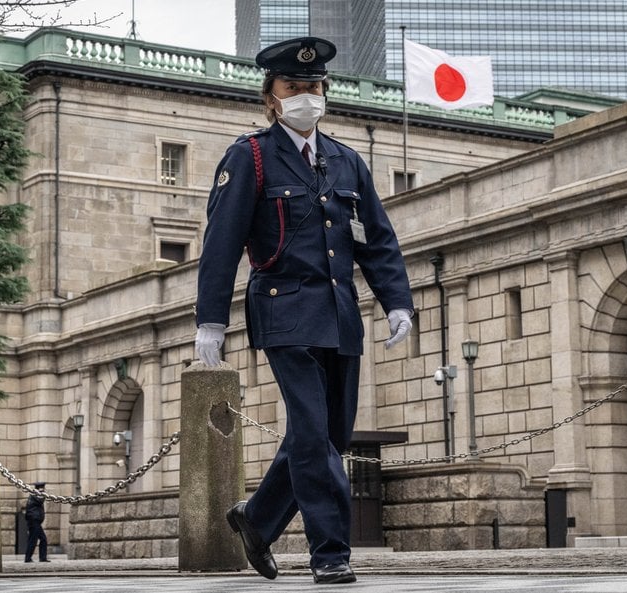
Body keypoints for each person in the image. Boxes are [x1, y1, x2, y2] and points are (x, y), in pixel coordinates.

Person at [195, 36, 414, 585]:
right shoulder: (249, 157)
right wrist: (210, 323)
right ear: (271, 96)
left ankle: (257, 517)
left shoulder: (347, 160)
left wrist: (397, 303)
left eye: (314, 87)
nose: (306, 96)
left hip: (341, 316)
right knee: (314, 434)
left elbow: (378, 241)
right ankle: (331, 553)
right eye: (293, 87)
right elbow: (221, 243)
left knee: (330, 434)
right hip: (284, 313)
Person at [24, 481, 49, 563]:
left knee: (42, 539)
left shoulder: (35, 494)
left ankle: (42, 558)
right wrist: (43, 493)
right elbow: (40, 500)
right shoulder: (35, 495)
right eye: (43, 487)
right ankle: (28, 558)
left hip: (35, 521)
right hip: (34, 521)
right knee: (33, 539)